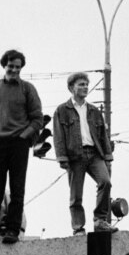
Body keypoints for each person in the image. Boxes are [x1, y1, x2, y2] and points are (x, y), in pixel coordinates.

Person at [0, 49, 43, 244]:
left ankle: (13, 230)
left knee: (17, 188)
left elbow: (37, 118)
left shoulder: (27, 89)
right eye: (11, 66)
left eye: (18, 67)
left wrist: (24, 136)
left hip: (18, 143)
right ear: (4, 66)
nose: (14, 70)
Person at [53, 72, 114, 235]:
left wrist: (108, 156)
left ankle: (100, 220)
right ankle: (78, 227)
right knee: (76, 195)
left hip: (94, 154)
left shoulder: (93, 110)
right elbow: (58, 136)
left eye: (86, 84)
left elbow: (103, 135)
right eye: (81, 84)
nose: (85, 87)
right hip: (75, 156)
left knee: (105, 182)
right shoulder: (62, 110)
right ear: (71, 88)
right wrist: (62, 157)